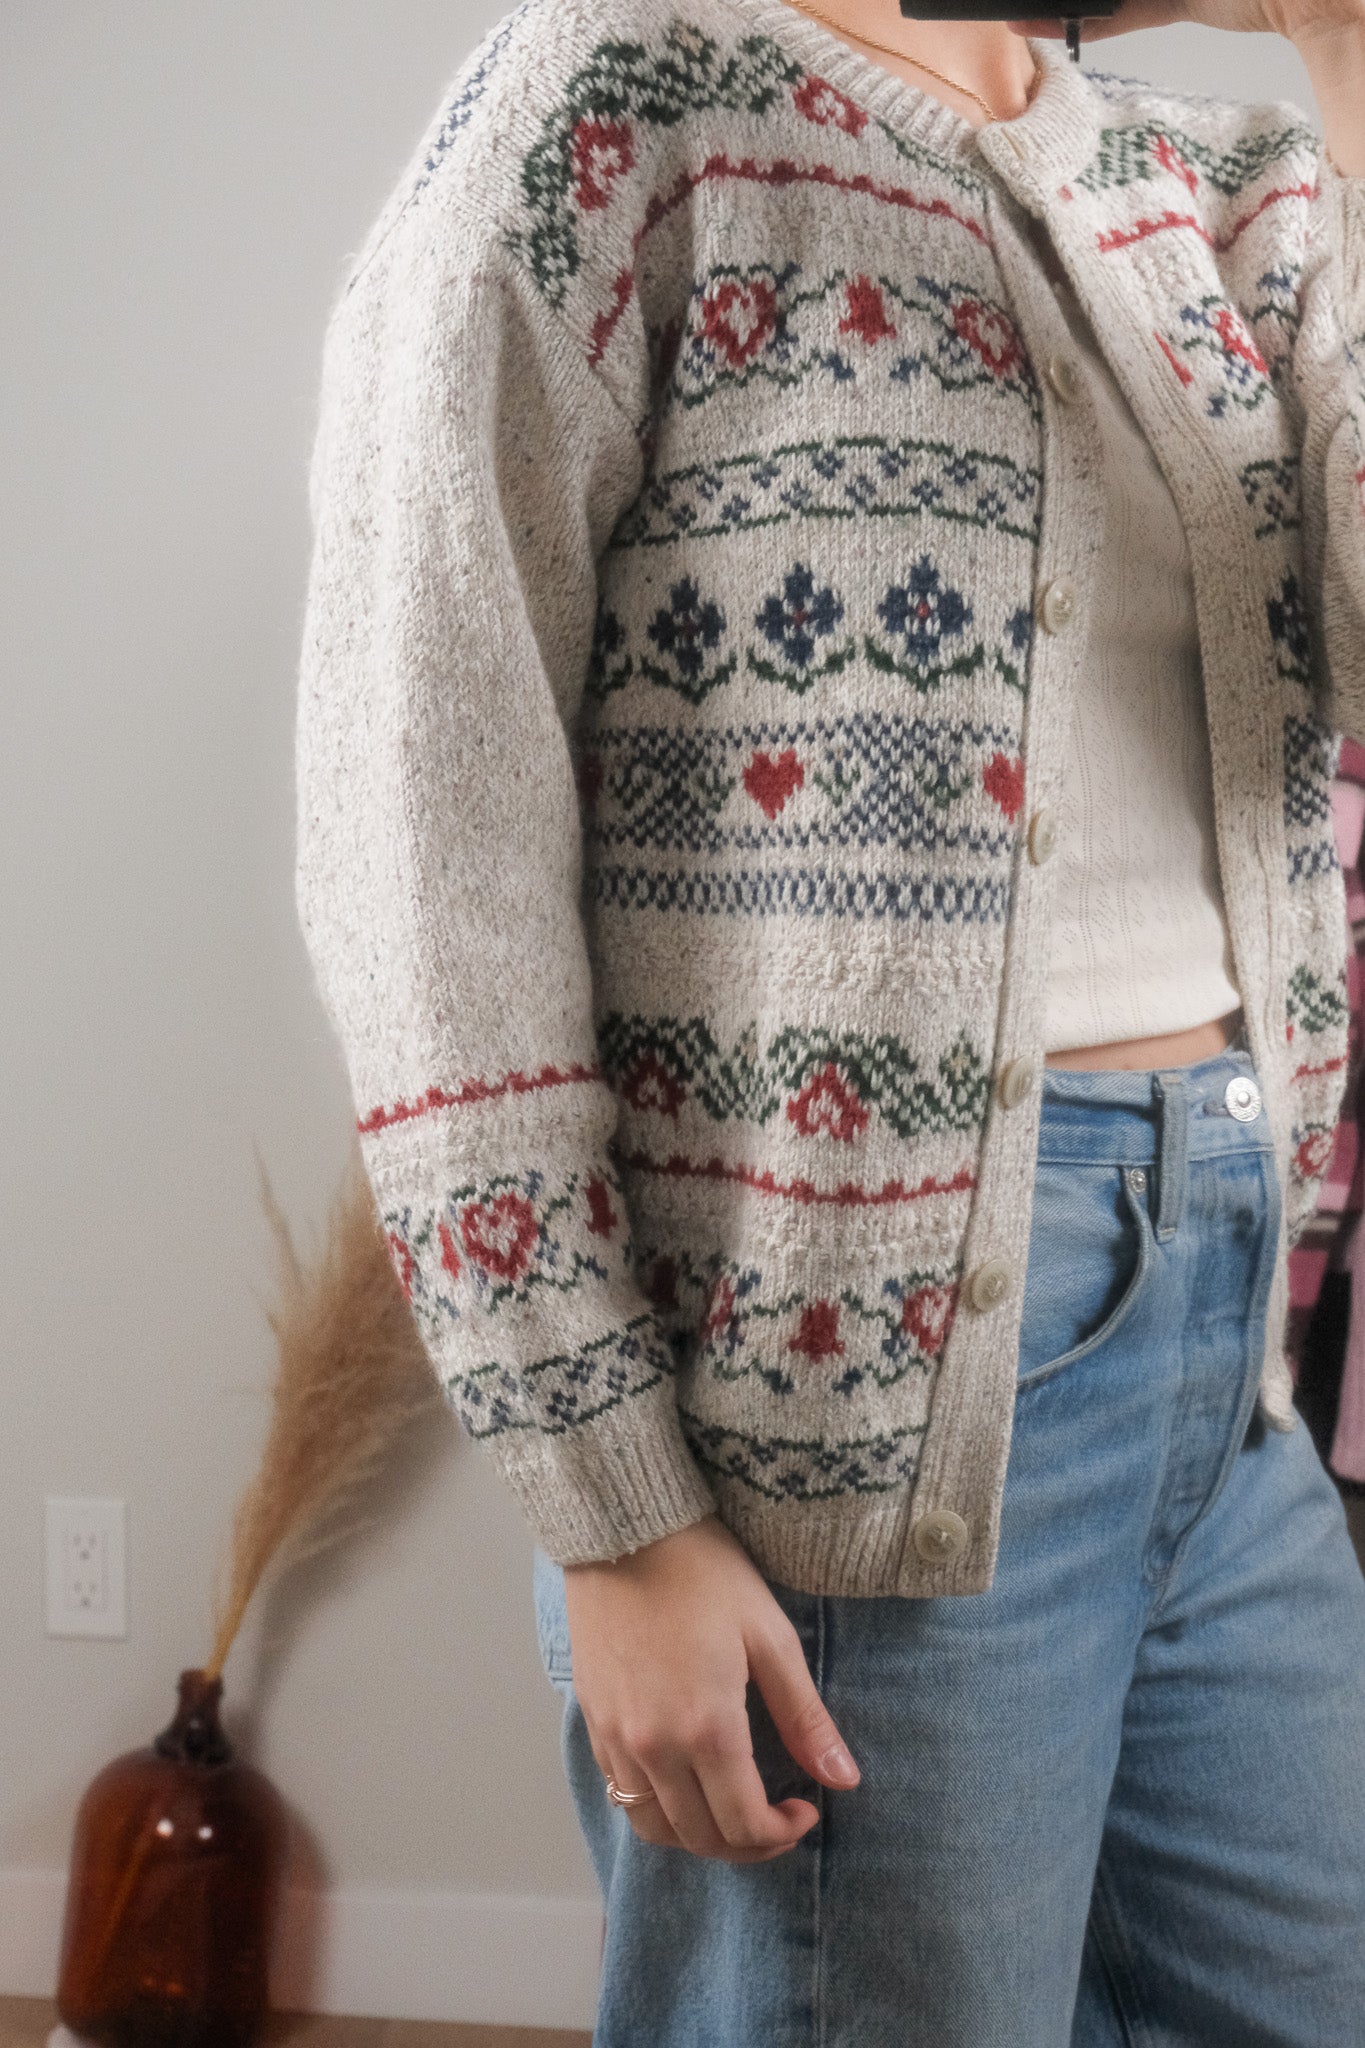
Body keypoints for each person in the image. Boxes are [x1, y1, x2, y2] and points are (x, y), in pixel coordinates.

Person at [293, 0, 1365, 2036]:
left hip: (1224, 1347)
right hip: (835, 1380)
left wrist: (1348, 53)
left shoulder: (1229, 186)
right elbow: (418, 832)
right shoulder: (618, 92)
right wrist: (611, 1512)